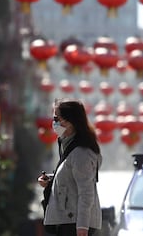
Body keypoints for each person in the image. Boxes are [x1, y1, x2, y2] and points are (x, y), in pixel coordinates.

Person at [37, 99, 102, 236]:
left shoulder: (81, 153)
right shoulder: (68, 147)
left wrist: (82, 228)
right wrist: (51, 180)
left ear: (70, 121)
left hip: (75, 224)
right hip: (68, 221)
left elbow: (86, 192)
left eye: (56, 118)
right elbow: (70, 179)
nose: (54, 123)